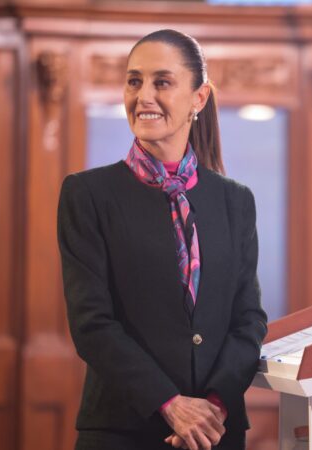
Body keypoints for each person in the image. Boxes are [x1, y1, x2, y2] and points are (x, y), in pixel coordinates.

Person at [57, 29, 268, 450]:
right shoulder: (88, 194)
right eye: (134, 81)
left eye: (162, 82)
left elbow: (249, 320)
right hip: (123, 432)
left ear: (199, 98)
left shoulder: (236, 201)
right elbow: (92, 325)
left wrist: (214, 406)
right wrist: (171, 404)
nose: (144, 96)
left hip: (216, 434)